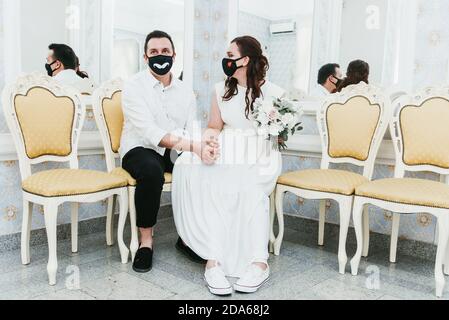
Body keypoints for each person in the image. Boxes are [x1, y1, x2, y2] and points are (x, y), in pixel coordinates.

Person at [172, 35, 285, 296]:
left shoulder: (275, 93)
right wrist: (208, 145)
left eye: (230, 55)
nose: (226, 60)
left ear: (245, 60)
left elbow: (278, 137)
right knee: (192, 165)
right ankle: (214, 259)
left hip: (260, 150)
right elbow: (214, 127)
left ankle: (258, 262)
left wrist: (275, 131)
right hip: (229, 144)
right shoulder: (219, 88)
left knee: (242, 182)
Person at [120, 30, 214, 273]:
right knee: (151, 170)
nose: (159, 56)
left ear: (174, 54)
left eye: (164, 51)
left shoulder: (185, 91)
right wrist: (193, 147)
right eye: (153, 52)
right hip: (140, 147)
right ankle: (146, 243)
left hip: (175, 148)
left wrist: (198, 149)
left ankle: (188, 238)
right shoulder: (132, 86)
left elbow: (191, 130)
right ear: (145, 57)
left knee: (201, 166)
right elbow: (150, 132)